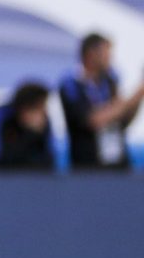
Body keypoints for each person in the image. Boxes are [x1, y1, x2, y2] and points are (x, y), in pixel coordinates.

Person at [58, 32, 142, 171]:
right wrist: (137, 93)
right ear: (91, 54)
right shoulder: (71, 85)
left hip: (118, 166)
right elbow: (94, 120)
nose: (110, 58)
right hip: (88, 169)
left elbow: (121, 119)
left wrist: (138, 98)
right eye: (106, 53)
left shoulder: (110, 82)